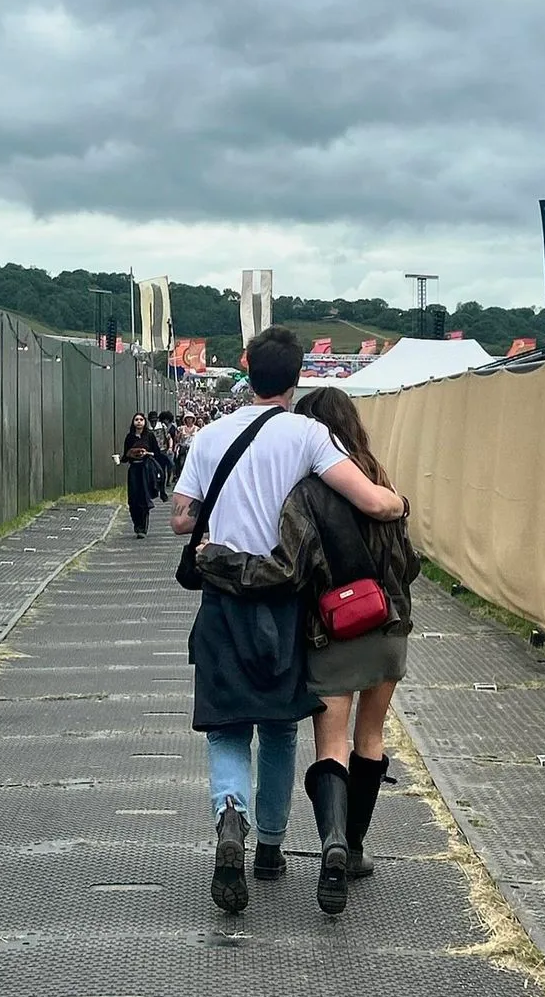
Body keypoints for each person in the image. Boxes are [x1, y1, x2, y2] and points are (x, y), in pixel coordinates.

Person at [171, 326, 407, 916]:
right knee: (279, 728)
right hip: (285, 604)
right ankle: (271, 848)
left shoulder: (207, 438)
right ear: (298, 375)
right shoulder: (309, 436)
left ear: (247, 368)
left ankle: (231, 816)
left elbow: (181, 520)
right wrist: (399, 504)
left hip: (222, 602)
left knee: (227, 725)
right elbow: (371, 501)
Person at [120, 413, 161, 538]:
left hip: (145, 469)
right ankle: (136, 524)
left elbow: (156, 453)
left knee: (143, 497)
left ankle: (143, 527)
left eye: (141, 420)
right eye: (136, 420)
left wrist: (146, 453)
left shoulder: (149, 436)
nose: (139, 422)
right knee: (133, 499)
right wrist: (124, 457)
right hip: (134, 470)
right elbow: (125, 456)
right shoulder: (129, 437)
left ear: (144, 422)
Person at [174, 413, 199, 482]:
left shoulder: (197, 429)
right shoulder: (181, 428)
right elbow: (177, 439)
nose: (189, 420)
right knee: (182, 463)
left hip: (193, 448)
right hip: (183, 448)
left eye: (190, 418)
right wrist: (179, 434)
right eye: (187, 418)